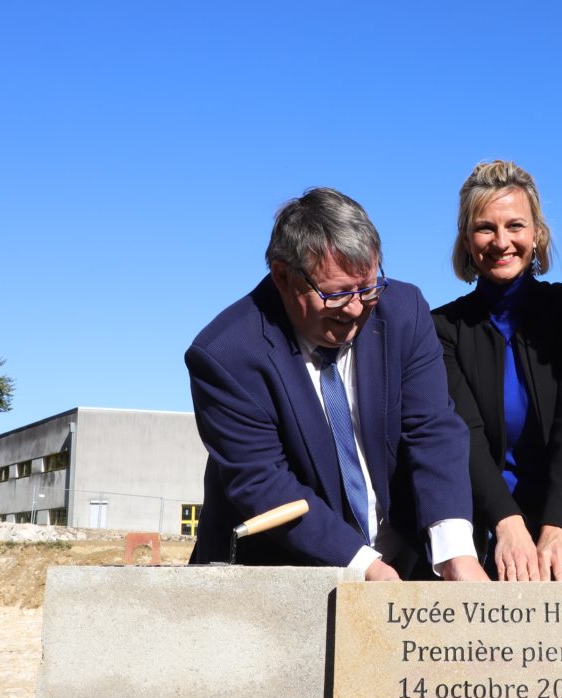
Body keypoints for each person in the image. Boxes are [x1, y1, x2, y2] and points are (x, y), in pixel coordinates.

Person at [186, 187, 486, 582]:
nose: (357, 308)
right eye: (338, 293)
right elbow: (262, 482)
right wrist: (364, 566)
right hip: (281, 579)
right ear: (282, 276)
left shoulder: (404, 312)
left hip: (406, 564)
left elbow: (432, 432)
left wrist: (455, 553)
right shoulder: (227, 355)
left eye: (368, 287)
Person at [432, 161, 562, 581]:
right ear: (467, 241)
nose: (501, 241)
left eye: (515, 226)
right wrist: (506, 522)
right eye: (485, 228)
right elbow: (461, 431)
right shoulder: (442, 328)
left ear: (537, 234)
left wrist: (558, 526)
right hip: (488, 535)